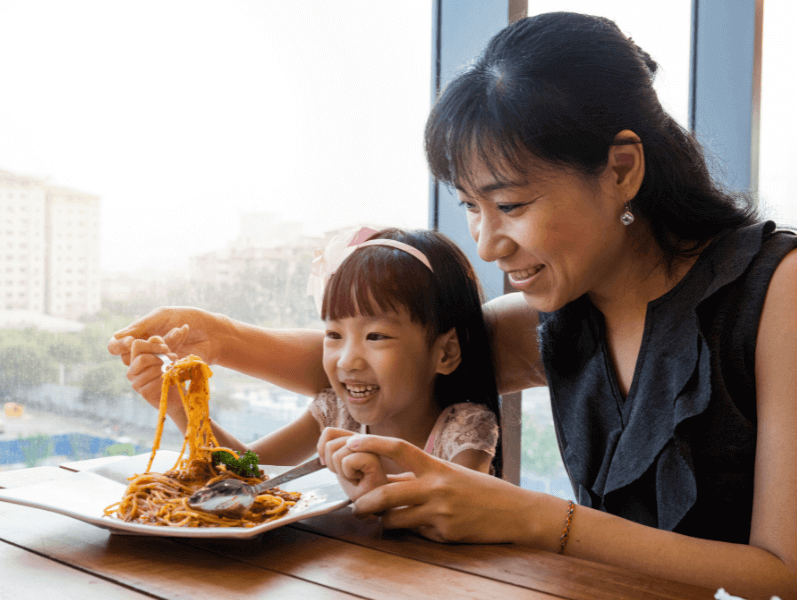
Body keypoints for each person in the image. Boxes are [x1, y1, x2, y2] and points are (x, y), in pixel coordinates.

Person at [108, 12, 796, 597]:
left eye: (511, 204)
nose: (488, 243)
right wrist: (219, 340)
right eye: (471, 206)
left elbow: (780, 572)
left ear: (621, 169)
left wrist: (528, 517)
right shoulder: (569, 307)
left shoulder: (777, 292)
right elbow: (389, 356)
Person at [110, 227, 502, 495]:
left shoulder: (464, 428)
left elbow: (459, 507)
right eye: (333, 335)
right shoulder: (336, 413)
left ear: (445, 352)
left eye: (376, 336)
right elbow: (246, 476)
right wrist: (183, 409)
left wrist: (376, 485)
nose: (347, 359)